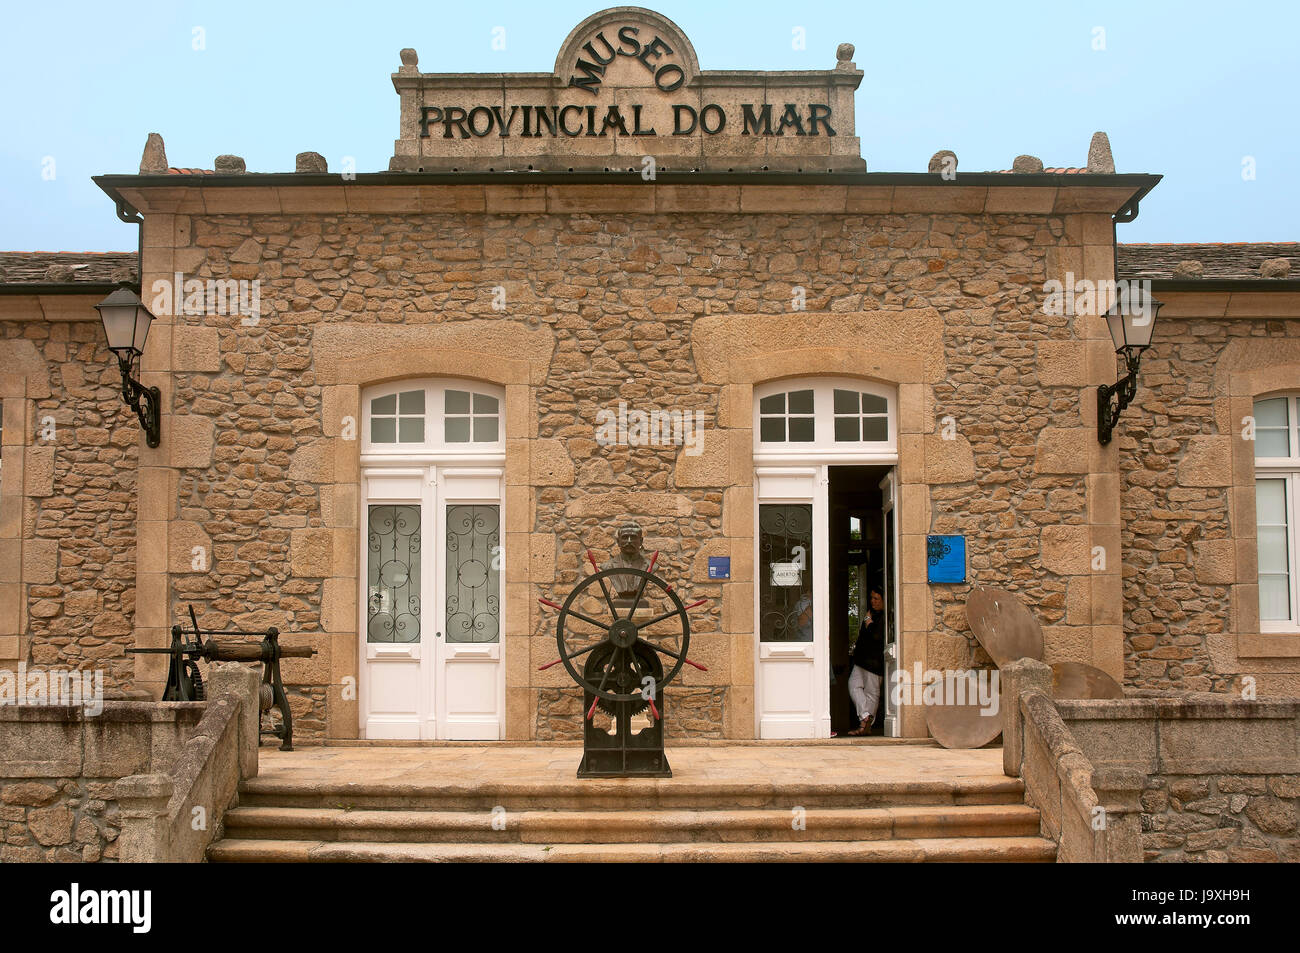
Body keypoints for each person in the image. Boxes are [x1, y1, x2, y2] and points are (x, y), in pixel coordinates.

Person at [846, 586, 886, 736]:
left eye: (877, 599)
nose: (873, 601)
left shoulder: (884, 616)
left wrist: (869, 622)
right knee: (853, 685)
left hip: (874, 662)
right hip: (861, 660)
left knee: (872, 693)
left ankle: (864, 726)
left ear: (883, 600)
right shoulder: (870, 614)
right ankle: (865, 716)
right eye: (872, 598)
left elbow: (877, 636)